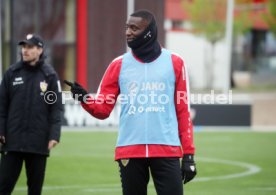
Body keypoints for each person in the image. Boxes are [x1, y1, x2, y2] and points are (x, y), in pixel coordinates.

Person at [65, 9, 197, 195]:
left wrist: (189, 154)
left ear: (149, 32)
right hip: (129, 151)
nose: (128, 32)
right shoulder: (118, 65)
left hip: (167, 150)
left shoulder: (175, 62)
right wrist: (84, 98)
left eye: (134, 28)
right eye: (127, 27)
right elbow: (103, 109)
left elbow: (183, 111)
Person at [0, 34, 63, 195]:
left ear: (40, 50)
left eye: (29, 47)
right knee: (3, 186)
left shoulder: (49, 76)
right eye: (23, 47)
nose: (24, 50)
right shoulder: (12, 73)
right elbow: (2, 106)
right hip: (12, 142)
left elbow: (56, 107)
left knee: (35, 190)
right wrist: (1, 131)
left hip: (38, 143)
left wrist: (54, 134)